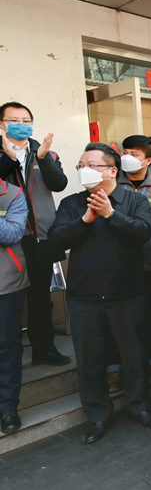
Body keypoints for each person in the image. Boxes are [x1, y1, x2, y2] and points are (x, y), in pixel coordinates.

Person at [49, 142, 151, 444]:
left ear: (112, 171)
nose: (83, 170)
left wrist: (112, 215)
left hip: (127, 292)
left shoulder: (134, 200)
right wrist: (85, 220)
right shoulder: (72, 203)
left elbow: (144, 232)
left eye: (91, 165)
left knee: (134, 355)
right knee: (90, 360)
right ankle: (97, 414)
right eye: (80, 166)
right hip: (84, 295)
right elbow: (56, 239)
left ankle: (140, 405)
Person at [0, 102, 71, 367]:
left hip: (40, 237)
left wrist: (43, 158)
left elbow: (59, 183)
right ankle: (9, 355)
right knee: (9, 299)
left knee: (41, 298)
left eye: (26, 120)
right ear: (1, 124)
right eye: (14, 120)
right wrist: (9, 159)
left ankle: (44, 349)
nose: (21, 124)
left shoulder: (45, 153)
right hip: (7, 239)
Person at [105, 135, 151, 391]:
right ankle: (115, 369)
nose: (127, 157)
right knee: (115, 317)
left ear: (148, 160)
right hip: (115, 263)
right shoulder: (111, 182)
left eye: (134, 154)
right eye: (125, 152)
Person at [0, 177, 29, 434]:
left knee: (7, 345)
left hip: (6, 283)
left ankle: (8, 408)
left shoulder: (13, 194)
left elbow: (12, 234)